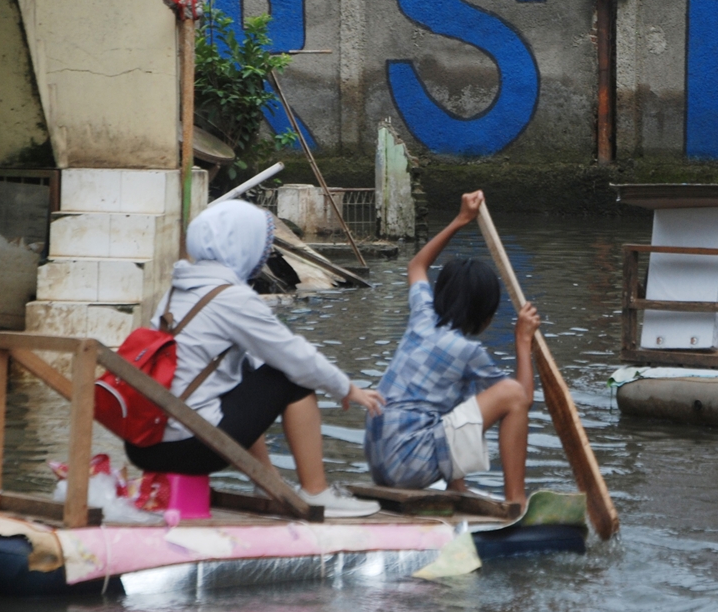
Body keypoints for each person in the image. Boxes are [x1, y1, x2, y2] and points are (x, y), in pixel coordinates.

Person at [123, 199, 386, 517]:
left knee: (247, 371)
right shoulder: (232, 298)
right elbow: (296, 358)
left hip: (143, 443)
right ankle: (316, 491)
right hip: (188, 448)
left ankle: (267, 482)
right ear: (242, 245)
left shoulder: (178, 290)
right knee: (289, 378)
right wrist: (347, 389)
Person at [365, 190, 540, 504]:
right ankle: (517, 501)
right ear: (485, 316)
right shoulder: (468, 351)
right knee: (508, 394)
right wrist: (522, 340)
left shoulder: (422, 316)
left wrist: (460, 220)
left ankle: (455, 485)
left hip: (380, 461)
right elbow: (522, 398)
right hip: (407, 465)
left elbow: (416, 267)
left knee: (460, 391)